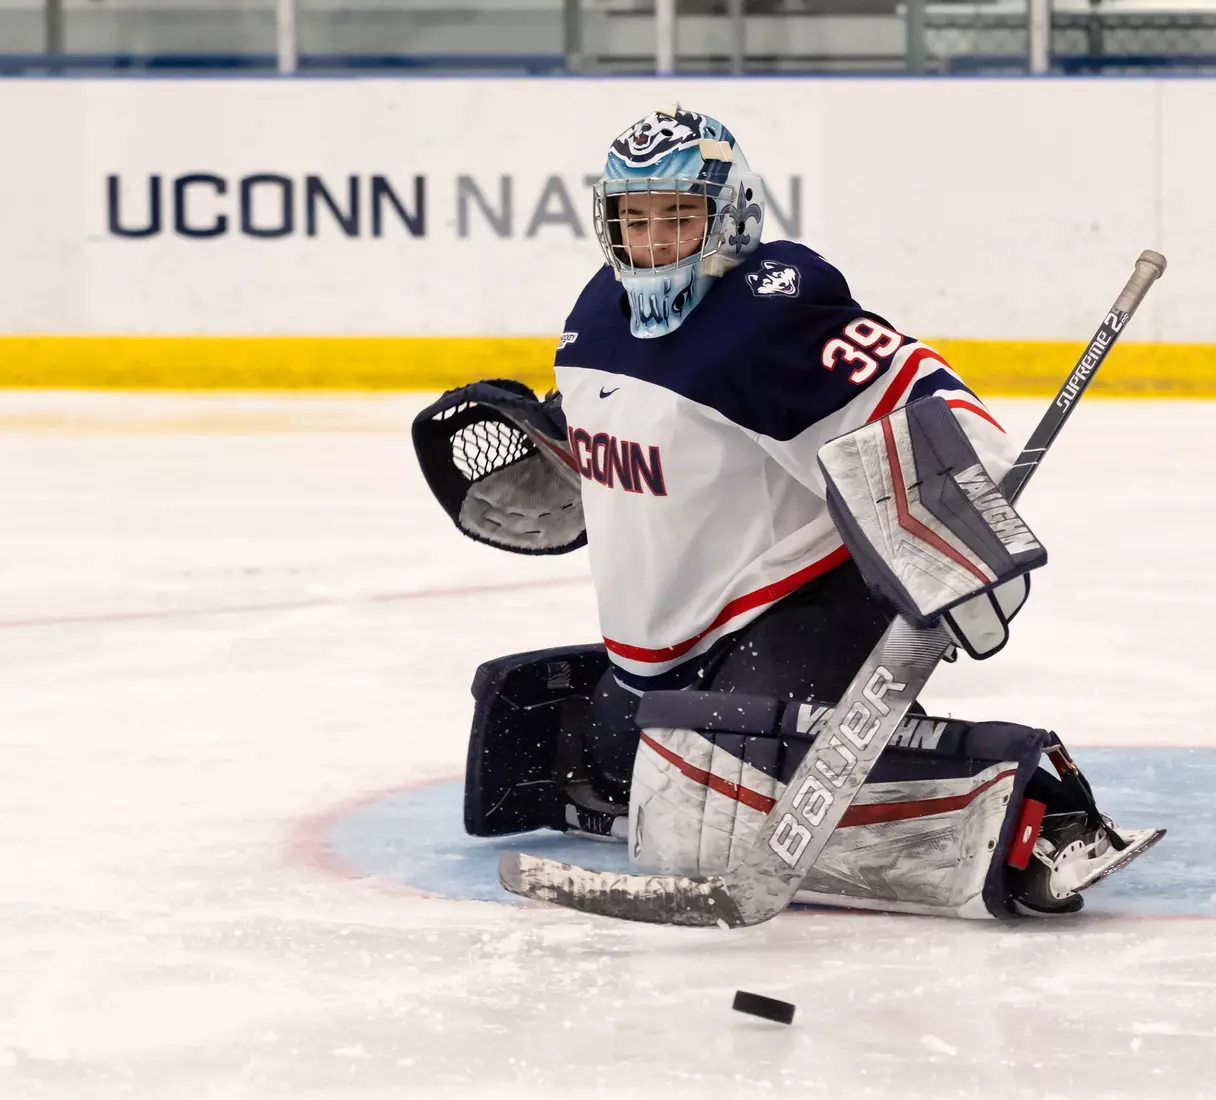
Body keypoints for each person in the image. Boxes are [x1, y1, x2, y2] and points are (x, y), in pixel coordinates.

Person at [413, 106, 1159, 918]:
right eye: (634, 220)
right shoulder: (596, 309)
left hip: (801, 608)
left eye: (677, 217)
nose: (652, 241)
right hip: (672, 647)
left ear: (728, 215)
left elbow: (935, 407)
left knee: (728, 806)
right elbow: (649, 428)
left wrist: (956, 517)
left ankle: (1046, 822)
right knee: (623, 763)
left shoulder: (769, 311)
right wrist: (567, 440)